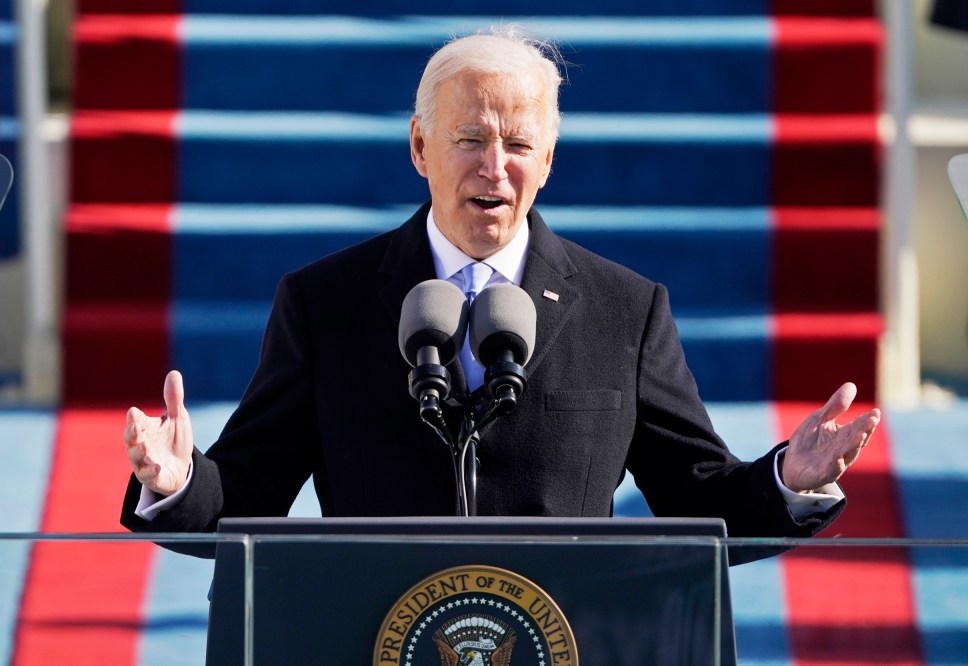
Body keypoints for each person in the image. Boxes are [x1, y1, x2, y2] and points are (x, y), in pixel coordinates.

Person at [121, 27, 880, 545]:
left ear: (548, 159)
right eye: (469, 139)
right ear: (419, 146)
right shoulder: (326, 303)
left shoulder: (626, 310)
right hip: (372, 633)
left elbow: (702, 500)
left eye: (519, 144)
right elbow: (250, 493)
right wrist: (178, 479)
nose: (495, 167)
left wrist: (790, 479)